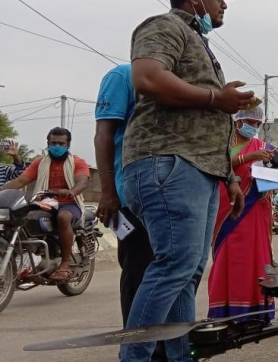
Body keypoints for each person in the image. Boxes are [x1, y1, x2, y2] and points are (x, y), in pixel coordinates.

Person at [122, 0, 255, 359]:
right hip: (169, 160)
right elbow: (147, 77)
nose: (225, 3)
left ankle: (180, 356)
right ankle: (134, 356)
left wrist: (228, 177)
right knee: (175, 264)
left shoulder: (197, 39)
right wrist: (216, 96)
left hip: (198, 168)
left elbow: (208, 121)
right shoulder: (165, 26)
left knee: (188, 271)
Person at [93, 63, 168, 361]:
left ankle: (167, 347)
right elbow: (104, 135)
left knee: (173, 277)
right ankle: (137, 349)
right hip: (131, 198)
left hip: (173, 198)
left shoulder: (177, 79)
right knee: (139, 274)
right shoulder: (121, 76)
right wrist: (108, 191)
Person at [207, 106, 277, 320]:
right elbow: (218, 165)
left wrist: (271, 174)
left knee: (257, 255)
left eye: (257, 123)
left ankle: (258, 310)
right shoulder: (223, 143)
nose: (253, 127)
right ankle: (226, 310)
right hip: (228, 207)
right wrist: (250, 157)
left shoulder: (265, 146)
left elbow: (277, 170)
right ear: (237, 121)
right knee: (229, 257)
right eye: (249, 122)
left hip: (256, 207)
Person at [2, 128, 90, 282]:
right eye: (53, 143)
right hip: (44, 201)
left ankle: (65, 263)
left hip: (69, 203)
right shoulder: (39, 163)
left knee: (63, 217)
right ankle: (28, 256)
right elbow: (20, 181)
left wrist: (71, 191)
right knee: (21, 218)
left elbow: (82, 181)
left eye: (61, 143)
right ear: (47, 143)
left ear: (68, 144)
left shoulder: (77, 162)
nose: (57, 146)